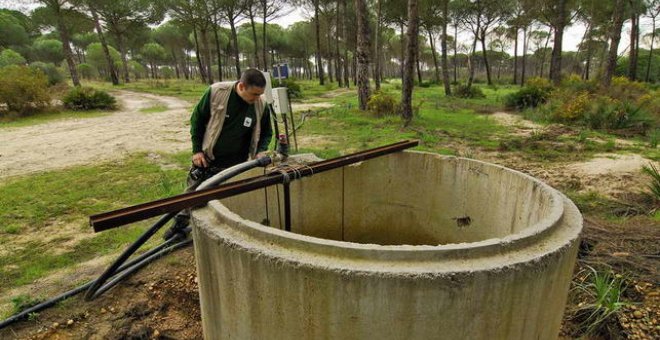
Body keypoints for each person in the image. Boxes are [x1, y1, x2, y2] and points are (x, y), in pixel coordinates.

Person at [164, 69, 273, 239]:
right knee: (193, 195)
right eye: (254, 94)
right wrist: (197, 151)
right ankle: (178, 228)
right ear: (242, 86)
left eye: (260, 94)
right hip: (209, 159)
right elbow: (197, 121)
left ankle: (222, 232)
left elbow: (267, 132)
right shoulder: (217, 92)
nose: (257, 98)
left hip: (237, 164)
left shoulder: (261, 104)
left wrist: (260, 151)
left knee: (226, 201)